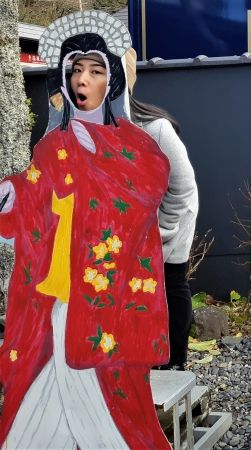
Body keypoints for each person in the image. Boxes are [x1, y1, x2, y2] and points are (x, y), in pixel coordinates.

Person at [0, 11, 171, 448]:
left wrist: (88, 170)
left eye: (95, 71)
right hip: (54, 295)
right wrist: (13, 196)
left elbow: (146, 192)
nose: (83, 80)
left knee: (111, 405)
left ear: (110, 80)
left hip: (106, 301)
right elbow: (31, 196)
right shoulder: (53, 146)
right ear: (64, 77)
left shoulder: (139, 148)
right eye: (76, 70)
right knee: (42, 395)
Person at [125, 48, 199, 371]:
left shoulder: (154, 129)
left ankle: (175, 361)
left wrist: (160, 234)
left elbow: (183, 186)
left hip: (167, 230)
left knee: (171, 285)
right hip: (125, 240)